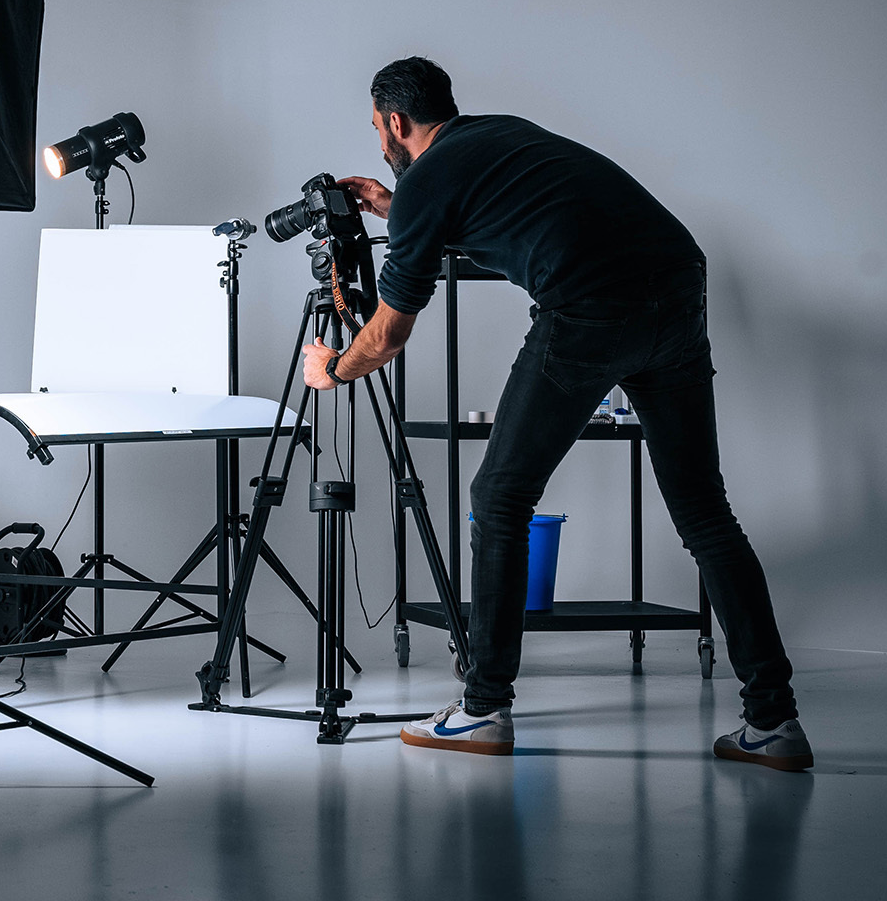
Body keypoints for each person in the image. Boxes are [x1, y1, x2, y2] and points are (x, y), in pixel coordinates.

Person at [300, 57, 810, 772]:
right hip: (676, 287)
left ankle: (481, 709)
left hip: (590, 308)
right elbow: (511, 210)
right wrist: (399, 205)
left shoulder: (431, 185)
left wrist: (334, 369)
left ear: (391, 122)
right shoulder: (500, 135)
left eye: (376, 127)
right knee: (705, 512)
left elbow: (387, 334)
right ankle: (774, 723)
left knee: (499, 498)